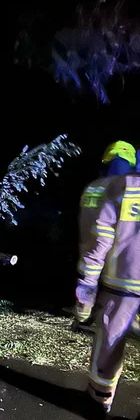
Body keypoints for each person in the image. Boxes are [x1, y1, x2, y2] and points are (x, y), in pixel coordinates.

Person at [75, 166, 140, 415]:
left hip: (122, 283)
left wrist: (88, 281)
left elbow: (101, 236)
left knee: (110, 341)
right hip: (124, 283)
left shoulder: (121, 187)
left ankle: (99, 399)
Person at [74, 140, 136, 331]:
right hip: (118, 271)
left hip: (93, 264)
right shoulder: (126, 189)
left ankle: (84, 313)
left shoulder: (92, 187)